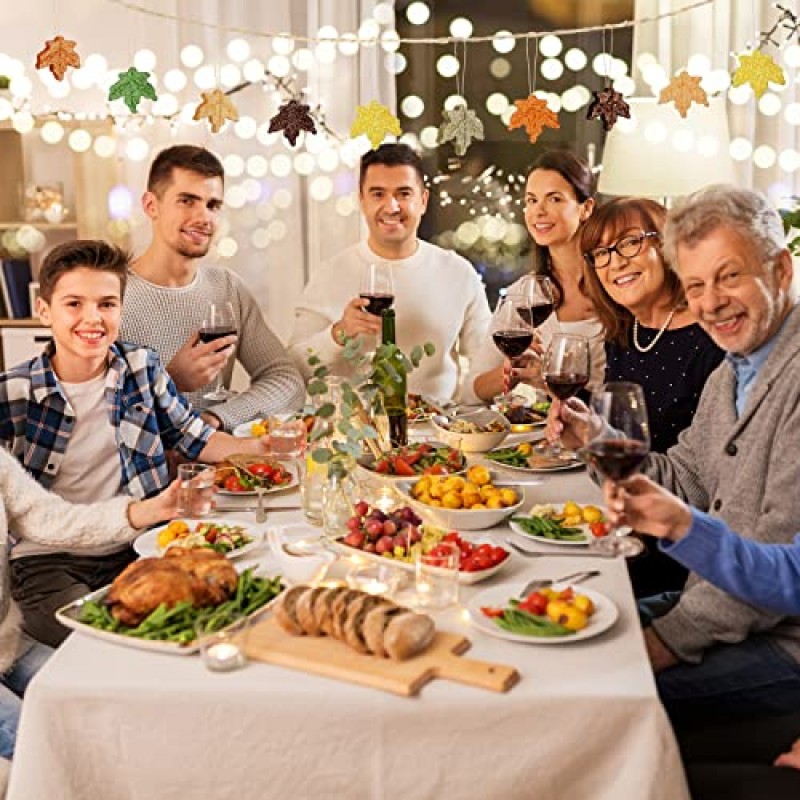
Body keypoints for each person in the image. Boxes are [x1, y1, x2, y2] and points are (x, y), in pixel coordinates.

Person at [548, 185, 800, 737]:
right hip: (710, 600)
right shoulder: (730, 373)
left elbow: (785, 575)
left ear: (781, 271)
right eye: (696, 285)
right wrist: (594, 438)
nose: (710, 302)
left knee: (582, 705)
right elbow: (683, 477)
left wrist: (668, 637)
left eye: (729, 276)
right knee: (550, 640)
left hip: (782, 643)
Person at [0, 240, 282, 646]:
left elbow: (196, 438)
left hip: (139, 546)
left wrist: (268, 450)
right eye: (74, 304)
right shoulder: (14, 393)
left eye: (107, 304)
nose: (92, 318)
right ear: (44, 310)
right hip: (50, 560)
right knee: (102, 641)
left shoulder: (140, 367)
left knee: (208, 620)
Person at [604, 476, 800, 798]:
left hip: (783, 643)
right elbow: (789, 573)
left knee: (613, 716)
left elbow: (789, 579)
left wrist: (684, 528)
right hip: (717, 598)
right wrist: (682, 526)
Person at [579, 197, 723, 597]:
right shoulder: (624, 334)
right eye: (602, 253)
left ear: (668, 245)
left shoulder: (713, 341)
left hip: (677, 550)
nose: (616, 262)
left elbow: (705, 482)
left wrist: (593, 436)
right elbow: (616, 438)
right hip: (622, 518)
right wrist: (584, 429)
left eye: (630, 243)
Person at [0, 446, 181, 762]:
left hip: (7, 645)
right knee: (45, 750)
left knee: (104, 704)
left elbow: (43, 517)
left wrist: (142, 512)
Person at [288, 142, 495, 404]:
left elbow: (486, 364)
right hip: (356, 436)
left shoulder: (457, 272)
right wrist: (339, 334)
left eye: (403, 193)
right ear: (362, 201)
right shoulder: (330, 274)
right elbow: (292, 369)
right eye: (378, 194)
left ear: (423, 200)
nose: (391, 207)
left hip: (437, 435)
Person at [120, 144, 305, 431]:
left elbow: (286, 381)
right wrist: (170, 380)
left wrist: (216, 419)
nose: (203, 217)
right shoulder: (111, 296)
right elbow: (93, 412)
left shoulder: (227, 288)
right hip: (144, 471)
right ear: (150, 205)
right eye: (187, 201)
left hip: (216, 466)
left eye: (212, 205)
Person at [473, 150, 605, 401]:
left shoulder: (614, 283)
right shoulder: (523, 294)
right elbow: (474, 389)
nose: (539, 211)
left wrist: (547, 374)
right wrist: (512, 370)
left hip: (604, 433)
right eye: (531, 200)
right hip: (542, 437)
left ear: (586, 208)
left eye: (554, 199)